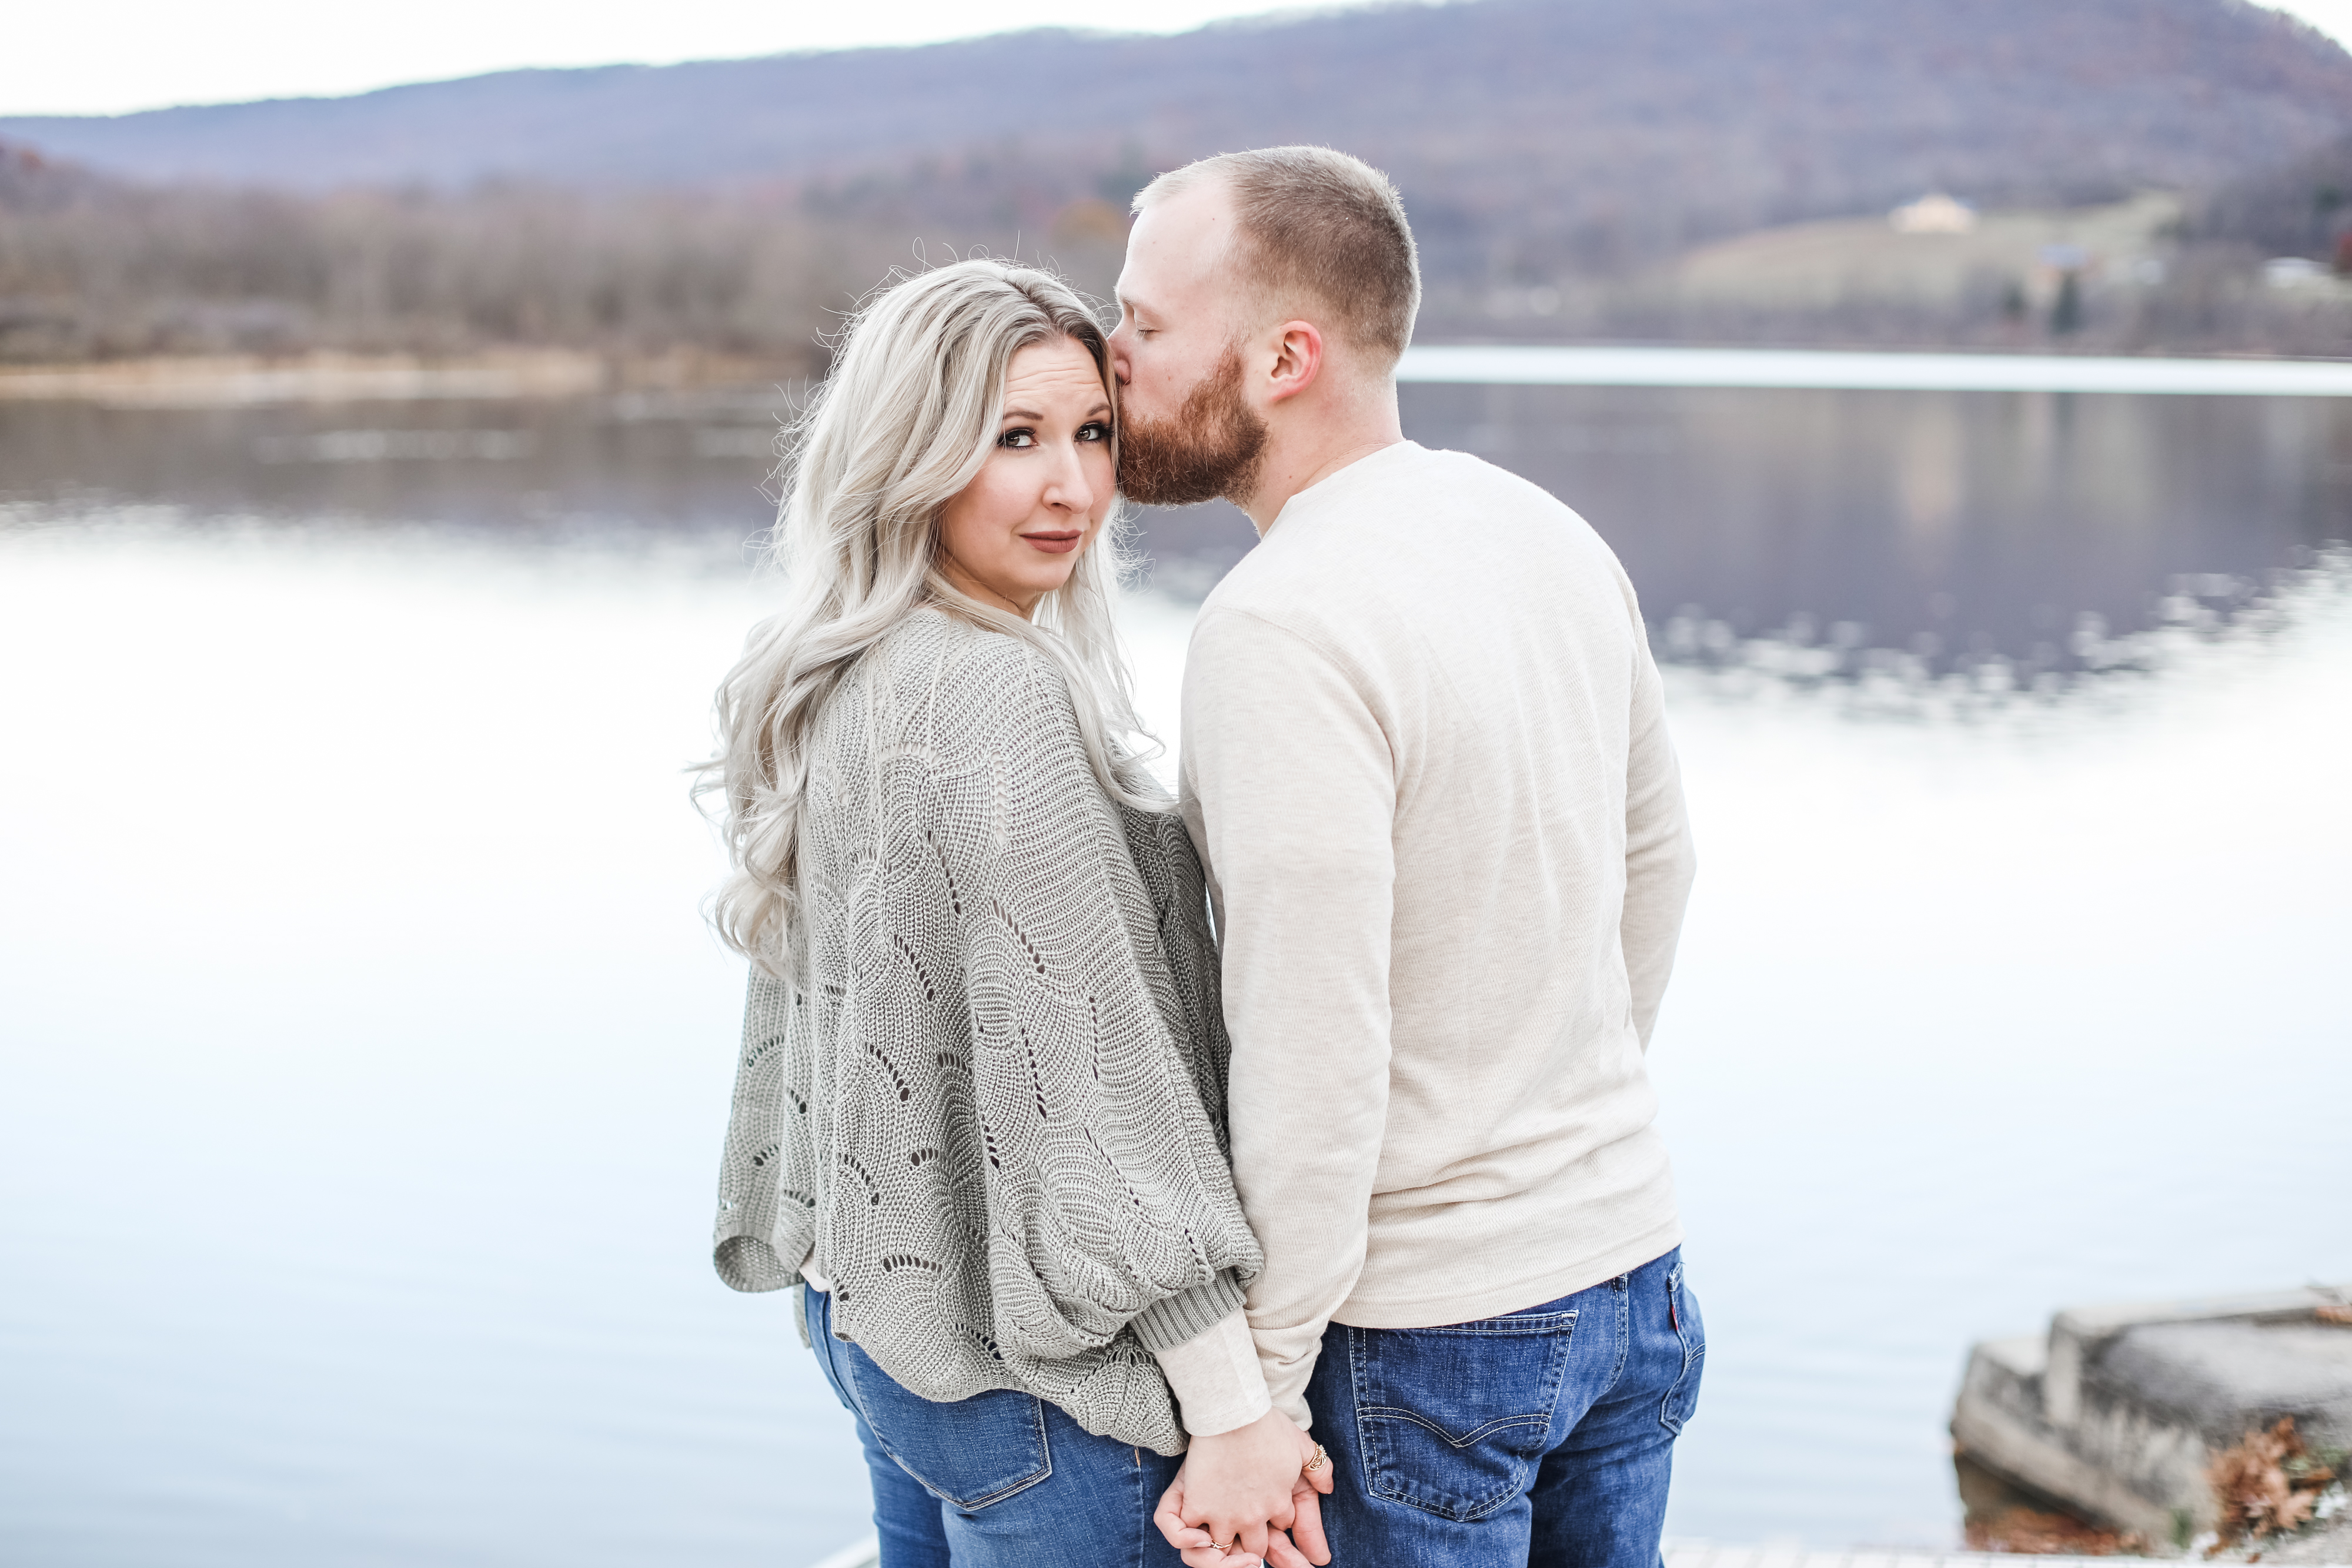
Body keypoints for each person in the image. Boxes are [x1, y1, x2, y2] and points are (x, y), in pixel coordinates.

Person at [1108, 148, 1705, 1568]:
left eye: (1142, 322)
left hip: (1433, 1340)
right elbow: (1660, 862)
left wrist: (1255, 1391)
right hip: (1633, 1271)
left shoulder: (1280, 625)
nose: (1108, 353)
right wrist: (1544, 1121)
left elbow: (1311, 1040)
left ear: (1283, 358)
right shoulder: (1543, 529)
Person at [699, 259, 1332, 1568]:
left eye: (1092, 433)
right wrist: (1233, 1407)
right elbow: (1094, 1092)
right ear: (910, 455)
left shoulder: (855, 661)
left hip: (879, 1321)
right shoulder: (989, 698)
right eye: (1013, 439)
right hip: (1033, 1382)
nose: (1074, 489)